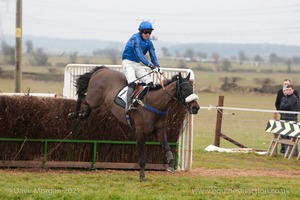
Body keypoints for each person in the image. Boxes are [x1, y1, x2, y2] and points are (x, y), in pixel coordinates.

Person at [122, 21, 161, 113]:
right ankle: (128, 106)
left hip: (136, 64)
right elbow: (140, 55)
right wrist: (151, 66)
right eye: (145, 32)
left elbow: (153, 56)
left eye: (149, 32)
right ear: (140, 31)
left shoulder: (149, 43)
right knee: (132, 83)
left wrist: (157, 66)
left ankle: (147, 103)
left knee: (150, 83)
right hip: (128, 63)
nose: (147, 34)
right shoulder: (135, 38)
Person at [278, 84, 299, 155]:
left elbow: (288, 106)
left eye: (290, 90)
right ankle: (286, 152)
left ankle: (294, 153)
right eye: (287, 90)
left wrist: (284, 105)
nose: (288, 91)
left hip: (292, 119)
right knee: (284, 136)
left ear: (293, 90)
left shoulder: (294, 98)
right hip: (284, 118)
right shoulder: (284, 98)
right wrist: (284, 105)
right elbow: (280, 107)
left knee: (292, 136)